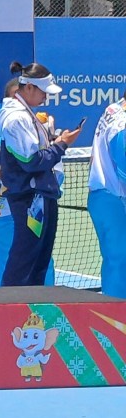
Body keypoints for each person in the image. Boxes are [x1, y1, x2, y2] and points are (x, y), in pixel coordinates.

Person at [0, 62, 81, 286]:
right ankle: (11, 312)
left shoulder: (26, 115)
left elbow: (33, 155)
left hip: (39, 195)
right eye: (44, 92)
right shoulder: (16, 119)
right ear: (29, 87)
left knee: (38, 258)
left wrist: (54, 142)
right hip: (30, 198)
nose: (46, 98)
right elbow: (32, 162)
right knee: (25, 259)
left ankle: (34, 314)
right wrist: (61, 145)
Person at [0, 78, 56, 286]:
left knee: (41, 262)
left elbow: (52, 166)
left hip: (33, 206)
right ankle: (7, 316)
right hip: (0, 210)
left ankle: (47, 314)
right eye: (14, 96)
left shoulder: (41, 127)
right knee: (5, 267)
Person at [89, 97, 126, 298]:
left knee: (116, 263)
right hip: (115, 200)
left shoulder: (113, 108)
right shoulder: (123, 125)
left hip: (103, 198)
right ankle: (118, 323)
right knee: (120, 264)